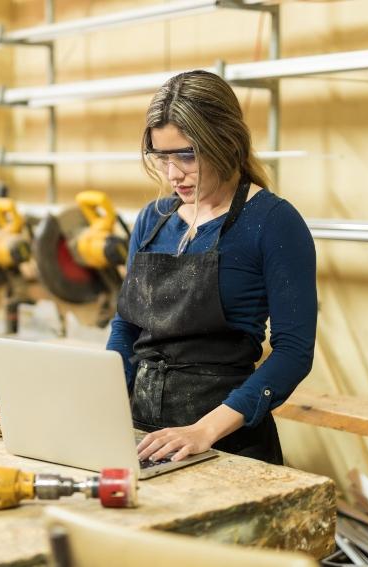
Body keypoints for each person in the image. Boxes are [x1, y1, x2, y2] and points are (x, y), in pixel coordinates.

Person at [106, 70, 317, 466]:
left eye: (186, 154)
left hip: (227, 443)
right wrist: (105, 397)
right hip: (141, 434)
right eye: (162, 156)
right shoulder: (153, 221)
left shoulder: (272, 222)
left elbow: (294, 352)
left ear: (226, 142)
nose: (173, 174)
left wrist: (205, 430)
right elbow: (127, 325)